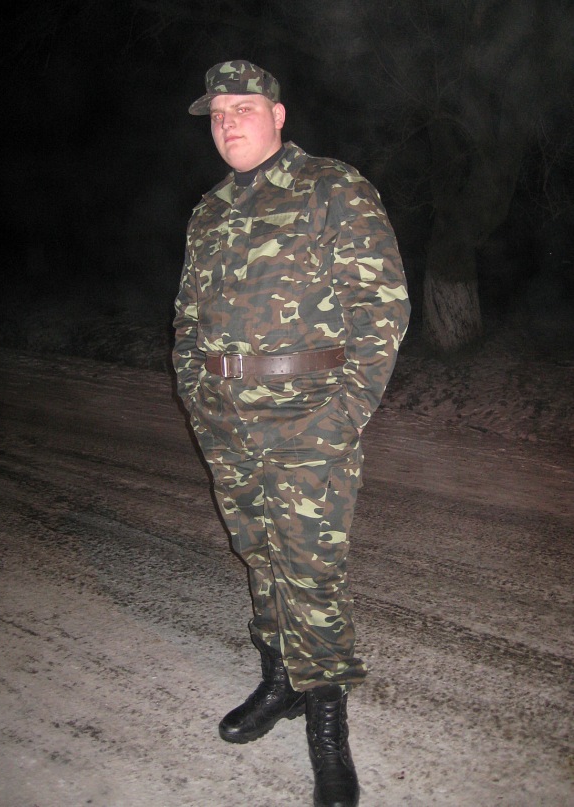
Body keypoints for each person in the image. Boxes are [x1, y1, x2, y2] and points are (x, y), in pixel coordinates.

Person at [173, 60, 410, 807]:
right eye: (217, 113)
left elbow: (382, 307)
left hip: (308, 414)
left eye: (243, 107)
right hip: (225, 415)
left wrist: (343, 414)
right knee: (258, 551)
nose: (228, 122)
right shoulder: (210, 210)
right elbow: (186, 319)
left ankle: (328, 729)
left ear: (278, 115)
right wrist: (196, 394)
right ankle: (279, 681)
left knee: (311, 568)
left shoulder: (332, 187)